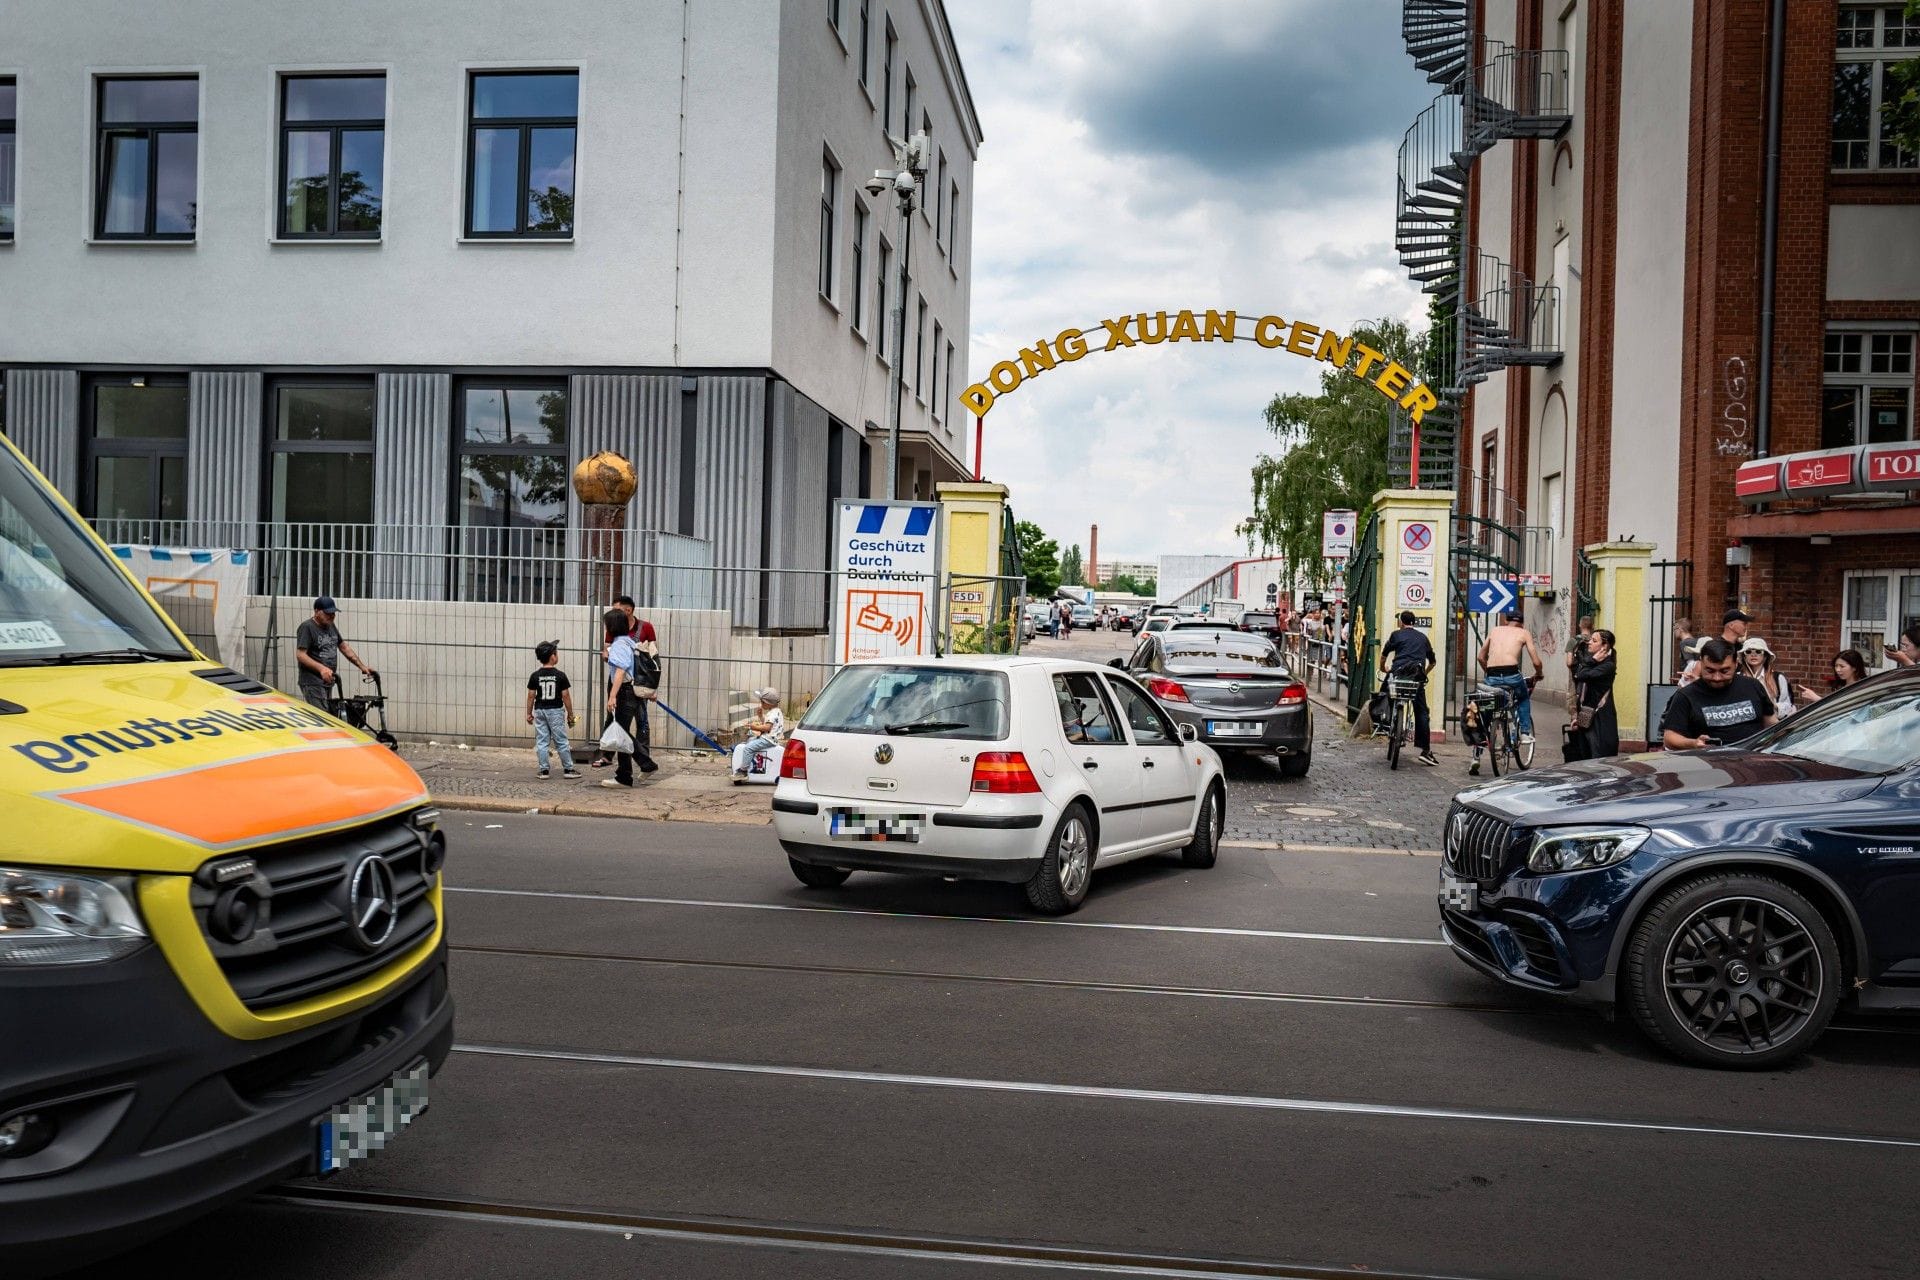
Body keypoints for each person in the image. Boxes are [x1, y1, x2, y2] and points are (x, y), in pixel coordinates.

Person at [1660, 637, 1777, 749]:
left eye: (1724, 671)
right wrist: (1694, 743)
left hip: (1752, 761)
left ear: (1736, 664)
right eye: (1709, 670)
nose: (1717, 678)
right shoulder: (1686, 696)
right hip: (1710, 764)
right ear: (1701, 663)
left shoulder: (1753, 686)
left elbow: (1772, 725)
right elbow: (1670, 738)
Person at [598, 610, 658, 789]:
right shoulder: (628, 642)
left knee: (621, 734)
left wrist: (612, 696)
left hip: (625, 691)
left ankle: (629, 774)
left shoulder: (619, 645)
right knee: (621, 732)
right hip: (629, 691)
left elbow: (621, 671)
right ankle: (637, 768)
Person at [1379, 610, 1439, 767]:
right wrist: (1423, 674)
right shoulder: (1423, 638)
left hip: (1398, 673)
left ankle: (1384, 723)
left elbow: (1384, 655)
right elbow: (1432, 662)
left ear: (1401, 622)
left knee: (1384, 693)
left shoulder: (1396, 635)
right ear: (1414, 622)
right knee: (1422, 712)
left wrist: (1383, 668)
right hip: (1415, 677)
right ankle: (1425, 751)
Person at [295, 594, 375, 712]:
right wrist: (322, 669)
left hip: (328, 680)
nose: (332, 616)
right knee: (322, 716)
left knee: (328, 714)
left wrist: (362, 666)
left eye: (333, 613)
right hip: (312, 681)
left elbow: (343, 647)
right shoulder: (307, 627)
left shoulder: (330, 625)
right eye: (328, 613)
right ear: (317, 611)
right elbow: (300, 655)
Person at [1477, 609, 1543, 744]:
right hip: (1511, 674)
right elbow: (1536, 662)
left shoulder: (1495, 630)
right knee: (1523, 697)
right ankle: (1524, 733)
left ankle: (1484, 732)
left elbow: (1480, 657)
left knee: (1488, 701)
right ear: (1522, 623)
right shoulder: (1524, 633)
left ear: (1506, 621)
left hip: (1492, 674)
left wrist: (1489, 672)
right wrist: (1539, 673)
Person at [525, 640, 581, 780]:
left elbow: (531, 696)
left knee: (542, 741)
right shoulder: (560, 675)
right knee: (561, 740)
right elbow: (565, 695)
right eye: (556, 653)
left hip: (540, 711)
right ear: (553, 657)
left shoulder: (535, 676)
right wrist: (570, 714)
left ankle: (544, 771)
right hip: (555, 711)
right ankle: (568, 769)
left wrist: (528, 713)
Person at [1570, 628, 1620, 759]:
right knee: (1583, 759)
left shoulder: (1608, 666)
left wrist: (1591, 661)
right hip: (1587, 717)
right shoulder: (1594, 662)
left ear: (1604, 646)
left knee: (1597, 761)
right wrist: (1578, 717)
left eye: (1594, 640)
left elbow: (1579, 675)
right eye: (1590, 639)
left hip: (1600, 720)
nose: (1589, 643)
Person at [1680, 609, 1752, 685]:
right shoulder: (1713, 647)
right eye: (1744, 623)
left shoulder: (1743, 648)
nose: (1746, 626)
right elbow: (1698, 673)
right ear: (1731, 625)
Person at [730, 688, 787, 783]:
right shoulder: (776, 712)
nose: (761, 703)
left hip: (768, 739)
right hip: (770, 738)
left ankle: (743, 771)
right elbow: (769, 724)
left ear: (769, 703)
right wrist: (761, 716)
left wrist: (754, 727)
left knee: (748, 747)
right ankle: (743, 758)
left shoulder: (772, 714)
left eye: (762, 702)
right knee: (751, 739)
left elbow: (767, 728)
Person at [1739, 637, 1794, 719]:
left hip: (1772, 725)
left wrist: (1772, 706)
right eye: (1748, 651)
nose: (1753, 655)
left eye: (1758, 651)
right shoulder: (1737, 677)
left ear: (1765, 656)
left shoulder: (1778, 678)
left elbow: (1787, 704)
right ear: (1744, 657)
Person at [1797, 649, 1870, 706]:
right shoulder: (1840, 687)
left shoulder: (1862, 688)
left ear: (1854, 667)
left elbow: (1841, 710)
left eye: (1842, 666)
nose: (1838, 670)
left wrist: (1816, 698)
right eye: (1836, 666)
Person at [1565, 614, 1596, 715]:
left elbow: (1569, 662)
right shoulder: (1596, 642)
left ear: (1580, 625)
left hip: (1577, 677)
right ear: (1593, 626)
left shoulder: (1573, 640)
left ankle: (1575, 723)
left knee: (1574, 703)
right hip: (1593, 676)